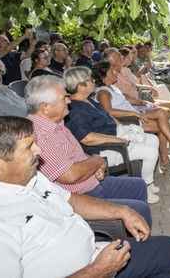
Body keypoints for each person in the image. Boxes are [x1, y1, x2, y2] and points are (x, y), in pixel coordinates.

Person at [0, 116, 170, 278]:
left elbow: (71, 200)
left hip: (93, 256)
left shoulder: (28, 178)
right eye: (29, 147)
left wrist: (121, 211)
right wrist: (97, 270)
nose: (39, 151)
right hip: (90, 270)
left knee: (165, 249)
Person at [25, 76, 153, 225]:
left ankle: (134, 232)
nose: (69, 100)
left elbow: (78, 154)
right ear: (45, 107)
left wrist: (97, 166)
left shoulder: (56, 123)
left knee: (138, 185)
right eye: (64, 98)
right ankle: (131, 239)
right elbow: (70, 175)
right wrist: (97, 161)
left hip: (91, 181)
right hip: (80, 196)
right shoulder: (39, 134)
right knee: (140, 208)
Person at [64, 67, 161, 204]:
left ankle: (147, 180)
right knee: (149, 151)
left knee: (153, 139)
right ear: (81, 86)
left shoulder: (88, 100)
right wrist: (118, 139)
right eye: (90, 80)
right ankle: (146, 187)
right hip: (106, 149)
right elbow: (87, 138)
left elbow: (107, 115)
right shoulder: (75, 110)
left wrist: (122, 128)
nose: (94, 81)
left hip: (115, 137)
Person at [93, 61, 170, 167]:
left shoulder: (112, 87)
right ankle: (168, 155)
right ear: (104, 76)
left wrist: (142, 102)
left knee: (162, 116)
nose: (115, 73)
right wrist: (134, 114)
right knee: (162, 124)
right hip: (127, 121)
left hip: (134, 114)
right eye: (112, 72)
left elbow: (125, 98)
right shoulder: (103, 93)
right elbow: (109, 111)